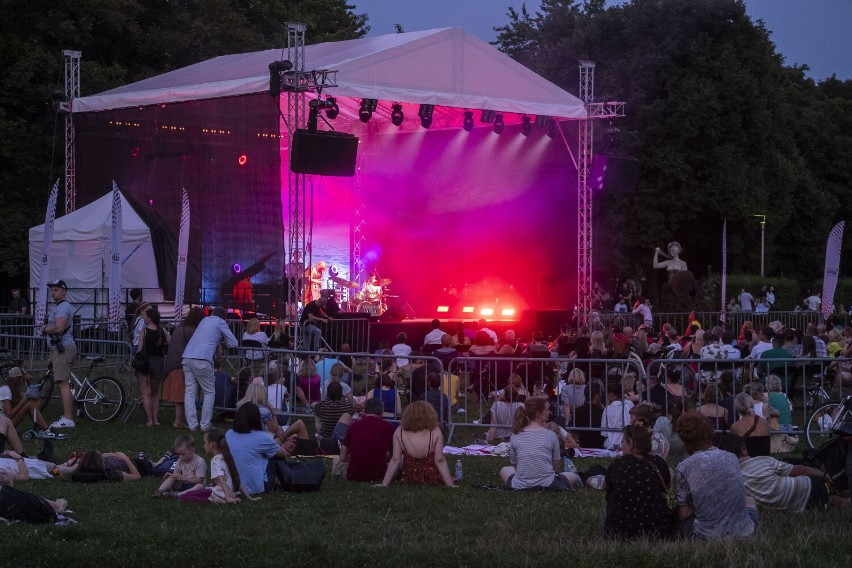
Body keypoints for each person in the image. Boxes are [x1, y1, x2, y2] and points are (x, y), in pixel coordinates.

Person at [674, 412, 757, 539]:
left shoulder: (683, 467)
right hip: (744, 532)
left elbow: (683, 514)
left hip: (706, 536)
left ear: (684, 439)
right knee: (750, 500)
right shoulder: (731, 457)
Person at [719, 433, 849, 511]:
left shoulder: (734, 480)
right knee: (834, 488)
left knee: (830, 500)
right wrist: (825, 476)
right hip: (807, 488)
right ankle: (839, 491)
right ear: (743, 450)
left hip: (799, 507)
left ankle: (834, 497)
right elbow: (800, 470)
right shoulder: (761, 461)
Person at [604, 425, 672, 539]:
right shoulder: (658, 463)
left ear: (630, 443)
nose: (621, 447)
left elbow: (606, 488)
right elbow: (667, 487)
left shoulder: (617, 465)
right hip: (656, 531)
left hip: (618, 532)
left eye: (623, 442)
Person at [499, 397, 581, 490]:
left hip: (519, 485)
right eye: (546, 409)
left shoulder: (515, 435)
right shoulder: (551, 435)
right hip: (549, 484)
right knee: (573, 475)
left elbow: (515, 464)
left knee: (505, 469)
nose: (549, 412)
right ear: (538, 414)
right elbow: (556, 467)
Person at [181, 306, 239, 432]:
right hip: (202, 358)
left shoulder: (204, 320)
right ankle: (205, 424)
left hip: (187, 357)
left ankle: (192, 425)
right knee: (209, 392)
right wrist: (223, 344)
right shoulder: (220, 322)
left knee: (190, 392)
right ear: (224, 316)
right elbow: (234, 343)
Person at [380, 401, 455, 487]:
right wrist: (450, 484)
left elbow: (395, 459)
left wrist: (384, 483)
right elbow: (439, 460)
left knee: (399, 459)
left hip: (410, 476)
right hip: (432, 475)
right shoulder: (435, 431)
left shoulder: (399, 431)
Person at [226, 403, 293, 495]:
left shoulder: (228, 434)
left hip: (230, 485)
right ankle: (280, 482)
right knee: (273, 456)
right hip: (256, 488)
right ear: (257, 419)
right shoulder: (261, 437)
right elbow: (283, 454)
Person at [177, 429, 258, 504]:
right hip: (227, 493)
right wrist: (248, 497)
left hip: (218, 496)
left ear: (211, 445)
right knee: (202, 490)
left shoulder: (215, 460)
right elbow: (236, 478)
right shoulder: (226, 457)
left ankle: (178, 494)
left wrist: (227, 497)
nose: (204, 446)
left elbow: (221, 478)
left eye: (205, 443)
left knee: (185, 497)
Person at [332, 398, 395, 482]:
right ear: (382, 413)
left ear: (364, 411)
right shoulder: (388, 427)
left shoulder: (354, 426)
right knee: (399, 460)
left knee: (336, 459)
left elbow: (342, 457)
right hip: (381, 476)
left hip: (353, 476)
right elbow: (394, 455)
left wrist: (356, 458)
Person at [42, 280, 77, 429]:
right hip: (59, 348)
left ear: (64, 292)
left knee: (62, 383)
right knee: (62, 381)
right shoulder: (61, 306)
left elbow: (59, 328)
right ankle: (67, 415)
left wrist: (45, 328)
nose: (52, 292)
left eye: (56, 290)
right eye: (52, 290)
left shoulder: (63, 307)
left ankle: (68, 419)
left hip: (63, 348)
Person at [163, 306, 204, 428]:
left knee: (180, 393)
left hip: (172, 362)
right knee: (181, 393)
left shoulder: (181, 326)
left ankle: (180, 419)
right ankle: (178, 421)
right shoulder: (192, 330)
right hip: (180, 363)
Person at [0, 367, 65, 440]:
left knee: (31, 403)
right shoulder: (5, 390)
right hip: (2, 426)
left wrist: (34, 397)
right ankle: (46, 430)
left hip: (4, 424)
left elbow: (33, 406)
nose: (24, 382)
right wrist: (26, 399)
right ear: (17, 380)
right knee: (30, 404)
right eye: (23, 379)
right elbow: (9, 414)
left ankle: (44, 429)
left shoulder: (13, 391)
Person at [138, 306, 169, 427]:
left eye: (145, 316)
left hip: (146, 363)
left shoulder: (144, 331)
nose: (143, 318)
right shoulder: (162, 331)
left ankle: (149, 420)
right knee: (155, 393)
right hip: (159, 362)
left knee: (146, 393)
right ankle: (156, 420)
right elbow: (170, 341)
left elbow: (140, 351)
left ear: (149, 319)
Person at [730, 392, 771, 457]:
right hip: (765, 460)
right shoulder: (765, 422)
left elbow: (735, 450)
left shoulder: (735, 427)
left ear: (737, 407)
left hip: (749, 463)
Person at [314, 382, 353, 446]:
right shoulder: (348, 405)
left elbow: (316, 410)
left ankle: (320, 430)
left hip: (325, 435)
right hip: (342, 434)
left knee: (317, 413)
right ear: (341, 393)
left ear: (328, 393)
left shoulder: (322, 405)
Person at [71, 450, 142, 482]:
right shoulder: (112, 473)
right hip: (139, 464)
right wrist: (125, 458)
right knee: (150, 464)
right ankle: (142, 457)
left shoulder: (88, 468)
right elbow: (137, 476)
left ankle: (142, 456)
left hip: (122, 459)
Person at [601, 382, 633, 450]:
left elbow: (604, 433)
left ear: (611, 394)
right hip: (629, 442)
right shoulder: (630, 404)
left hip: (611, 443)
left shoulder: (608, 409)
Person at [573, 382, 606, 449]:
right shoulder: (602, 413)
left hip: (583, 445)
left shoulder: (578, 411)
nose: (601, 395)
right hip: (599, 446)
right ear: (597, 396)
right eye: (600, 393)